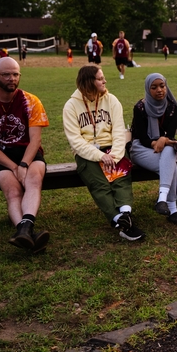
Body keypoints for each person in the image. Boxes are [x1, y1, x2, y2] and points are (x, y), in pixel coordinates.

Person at [0, 57, 50, 252]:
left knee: (33, 181)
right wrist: (14, 167)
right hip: (0, 156)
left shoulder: (32, 101)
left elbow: (35, 141)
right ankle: (25, 231)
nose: (11, 79)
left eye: (15, 74)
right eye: (6, 74)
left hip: (29, 154)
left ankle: (23, 231)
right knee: (13, 191)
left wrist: (23, 164)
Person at [63, 65, 145, 241]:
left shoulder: (111, 100)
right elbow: (76, 141)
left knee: (121, 178)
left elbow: (118, 132)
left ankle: (125, 215)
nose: (105, 81)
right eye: (100, 79)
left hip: (113, 149)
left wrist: (114, 155)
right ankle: (118, 220)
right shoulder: (71, 106)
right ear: (89, 82)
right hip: (87, 152)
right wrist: (100, 156)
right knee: (99, 184)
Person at [130, 73, 177, 225]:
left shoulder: (173, 107)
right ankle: (172, 209)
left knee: (169, 152)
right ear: (148, 90)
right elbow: (141, 137)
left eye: (162, 86)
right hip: (141, 149)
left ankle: (162, 199)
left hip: (164, 149)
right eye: (154, 87)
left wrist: (163, 140)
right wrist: (156, 143)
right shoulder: (140, 107)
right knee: (170, 165)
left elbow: (171, 135)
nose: (159, 90)